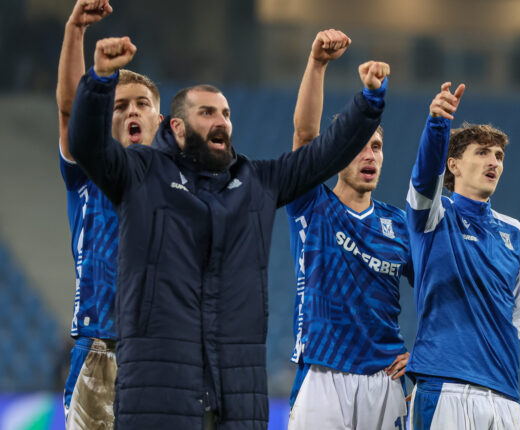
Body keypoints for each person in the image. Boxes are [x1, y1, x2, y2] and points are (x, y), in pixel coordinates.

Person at [67, 35, 388, 429]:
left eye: (226, 113)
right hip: (157, 392)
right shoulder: (141, 173)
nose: (221, 121)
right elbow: (85, 144)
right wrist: (99, 79)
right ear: (179, 128)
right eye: (207, 113)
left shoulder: (257, 181)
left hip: (237, 394)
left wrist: (369, 100)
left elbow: (324, 155)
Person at [285, 29, 411, 430]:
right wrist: (318, 63)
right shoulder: (312, 204)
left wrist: (424, 351)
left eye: (376, 145)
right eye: (358, 144)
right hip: (323, 374)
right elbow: (305, 136)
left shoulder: (400, 225)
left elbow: (438, 288)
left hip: (385, 380)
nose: (369, 154)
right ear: (337, 152)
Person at [55, 1, 163, 428]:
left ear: (161, 119)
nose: (132, 111)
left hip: (163, 352)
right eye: (119, 107)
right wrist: (75, 30)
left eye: (141, 104)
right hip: (99, 346)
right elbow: (68, 110)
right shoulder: (86, 171)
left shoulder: (180, 182)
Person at [405, 82, 520, 430]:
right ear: (454, 165)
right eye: (482, 152)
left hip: (504, 394)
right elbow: (422, 180)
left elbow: (518, 315)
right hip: (444, 384)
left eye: (499, 156)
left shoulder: (517, 234)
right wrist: (438, 125)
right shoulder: (433, 216)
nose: (494, 161)